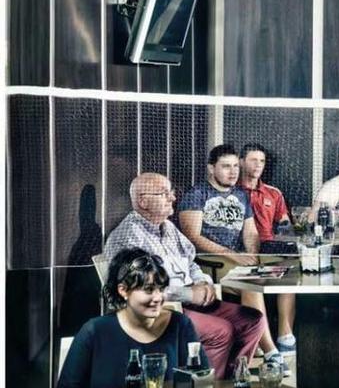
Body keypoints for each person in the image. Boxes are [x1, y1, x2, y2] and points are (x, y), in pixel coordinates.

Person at [104, 173, 270, 379]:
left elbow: (190, 262)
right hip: (156, 311)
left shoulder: (168, 227)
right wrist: (189, 294)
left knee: (252, 320)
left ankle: (229, 379)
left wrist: (203, 281)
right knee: (221, 331)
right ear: (143, 201)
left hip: (187, 303)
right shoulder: (128, 236)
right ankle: (204, 384)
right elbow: (140, 291)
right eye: (164, 193)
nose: (173, 197)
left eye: (171, 192)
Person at [178, 145, 290, 374]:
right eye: (226, 166)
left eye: (235, 167)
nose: (233, 172)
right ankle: (271, 352)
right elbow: (193, 237)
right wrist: (234, 256)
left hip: (236, 261)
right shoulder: (197, 194)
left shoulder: (240, 195)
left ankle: (282, 339)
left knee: (281, 271)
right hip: (208, 262)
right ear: (211, 168)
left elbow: (250, 233)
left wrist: (255, 257)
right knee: (251, 284)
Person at [59, 248, 209, 387]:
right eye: (149, 290)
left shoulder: (181, 325)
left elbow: (202, 383)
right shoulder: (94, 331)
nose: (158, 297)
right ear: (123, 290)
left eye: (161, 288)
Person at [238, 142, 297, 354]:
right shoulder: (233, 192)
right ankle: (262, 343)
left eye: (262, 161)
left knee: (291, 269)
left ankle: (285, 336)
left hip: (270, 249)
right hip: (242, 251)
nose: (258, 165)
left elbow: (285, 226)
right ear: (241, 161)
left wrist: (286, 227)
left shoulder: (273, 193)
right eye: (253, 160)